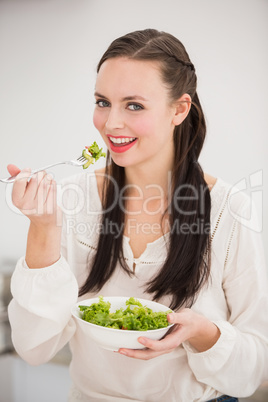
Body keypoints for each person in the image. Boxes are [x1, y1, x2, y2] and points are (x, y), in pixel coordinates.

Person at [7, 29, 268, 402]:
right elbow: (34, 349)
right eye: (102, 101)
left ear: (180, 109)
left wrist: (202, 333)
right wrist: (43, 227)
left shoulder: (231, 209)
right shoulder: (71, 198)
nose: (111, 123)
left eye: (134, 105)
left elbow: (252, 370)